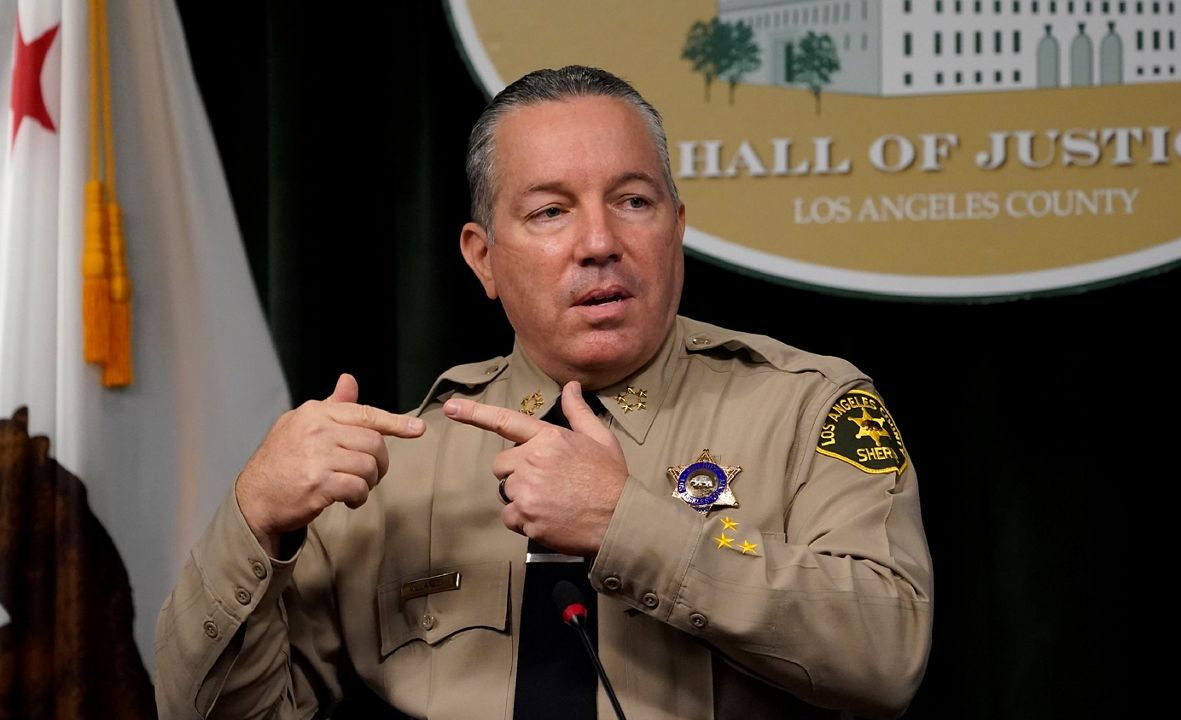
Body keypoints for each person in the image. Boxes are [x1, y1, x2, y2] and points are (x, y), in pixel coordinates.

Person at [154, 65, 932, 719]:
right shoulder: (400, 466)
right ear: (483, 258)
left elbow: (887, 653)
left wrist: (628, 523)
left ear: (676, 227)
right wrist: (252, 521)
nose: (599, 244)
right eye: (551, 212)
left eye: (633, 201)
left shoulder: (809, 407)